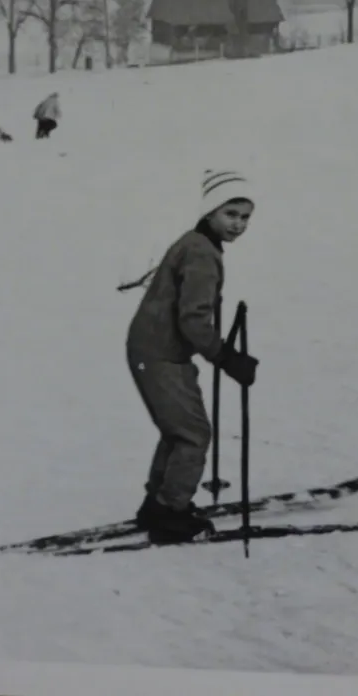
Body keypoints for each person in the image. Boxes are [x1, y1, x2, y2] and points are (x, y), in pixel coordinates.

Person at [126, 169, 259, 542]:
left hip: (157, 349)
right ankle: (170, 514)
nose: (238, 224)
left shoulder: (197, 243)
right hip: (159, 353)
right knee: (193, 434)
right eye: (230, 214)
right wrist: (227, 358)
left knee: (179, 429)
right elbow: (193, 319)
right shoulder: (201, 251)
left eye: (246, 217)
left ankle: (158, 504)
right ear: (210, 212)